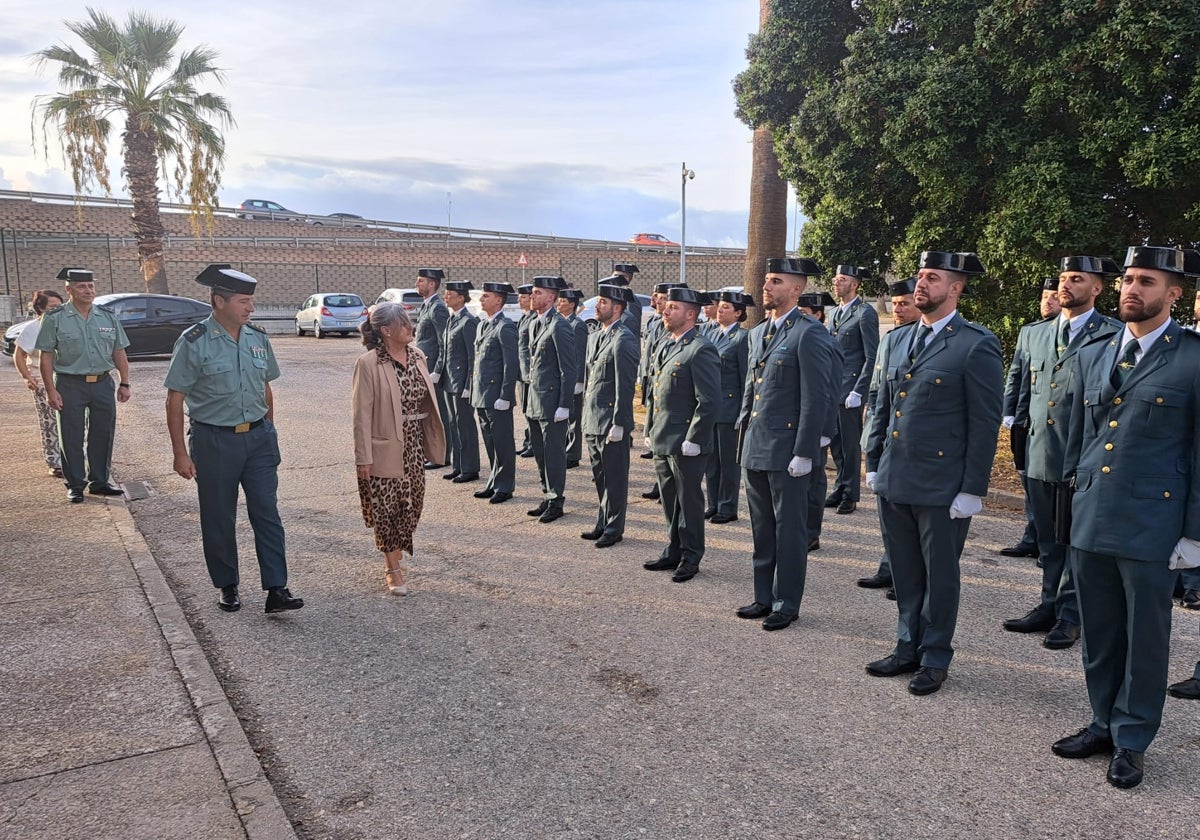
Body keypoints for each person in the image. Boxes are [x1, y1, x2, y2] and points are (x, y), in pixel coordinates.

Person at [1052, 245, 1200, 789]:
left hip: (1152, 522)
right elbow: (1079, 442)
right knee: (1102, 631)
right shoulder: (1096, 352)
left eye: (1147, 282)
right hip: (1093, 514)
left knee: (1145, 637)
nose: (1132, 290)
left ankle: (1132, 737)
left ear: (1174, 294)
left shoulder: (1193, 357)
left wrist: (1194, 534)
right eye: (1128, 280)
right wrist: (1069, 511)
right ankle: (1101, 723)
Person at [863, 251, 1003, 695]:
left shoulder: (976, 343)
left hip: (942, 485)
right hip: (895, 476)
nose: (921, 285)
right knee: (904, 570)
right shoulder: (896, 340)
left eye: (933, 278)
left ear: (956, 288)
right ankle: (907, 646)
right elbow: (881, 406)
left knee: (939, 574)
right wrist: (871, 461)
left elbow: (983, 422)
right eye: (921, 276)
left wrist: (972, 489)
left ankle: (936, 655)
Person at [164, 265, 303, 614]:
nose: (251, 308)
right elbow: (175, 399)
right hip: (214, 441)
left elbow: (265, 387)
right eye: (244, 301)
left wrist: (269, 429)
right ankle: (227, 585)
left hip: (257, 439)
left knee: (267, 513)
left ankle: (277, 588)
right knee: (218, 516)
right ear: (218, 301)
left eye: (252, 301)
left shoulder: (257, 337)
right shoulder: (194, 341)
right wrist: (180, 453)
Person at [1001, 257, 1120, 650]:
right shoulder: (1033, 333)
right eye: (1065, 278)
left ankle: (1072, 616)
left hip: (1083, 454)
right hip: (1040, 450)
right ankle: (1049, 604)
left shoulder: (1113, 335)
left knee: (1076, 542)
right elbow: (1021, 389)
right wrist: (1015, 429)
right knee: (1049, 539)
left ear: (1097, 289)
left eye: (1077, 279)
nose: (1067, 285)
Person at [735, 258, 838, 630]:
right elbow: (752, 390)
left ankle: (786, 602)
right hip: (757, 447)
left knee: (789, 531)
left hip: (787, 451)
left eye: (776, 281)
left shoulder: (809, 333)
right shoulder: (759, 332)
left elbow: (817, 397)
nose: (767, 286)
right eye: (766, 280)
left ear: (796, 289)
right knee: (762, 529)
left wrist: (805, 452)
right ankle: (763, 596)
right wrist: (742, 440)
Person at [352, 303, 447, 595]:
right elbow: (361, 415)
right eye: (404, 324)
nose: (410, 328)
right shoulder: (369, 363)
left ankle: (397, 550)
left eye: (410, 323)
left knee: (412, 503)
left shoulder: (418, 356)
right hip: (385, 443)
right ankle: (392, 568)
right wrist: (363, 457)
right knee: (387, 507)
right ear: (386, 330)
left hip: (414, 441)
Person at [642, 287, 721, 582]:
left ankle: (691, 555)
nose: (666, 310)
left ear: (691, 314)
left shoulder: (701, 348)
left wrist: (695, 437)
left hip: (686, 440)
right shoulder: (667, 345)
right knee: (669, 498)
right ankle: (673, 548)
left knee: (689, 500)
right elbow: (655, 393)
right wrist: (650, 429)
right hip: (663, 437)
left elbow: (709, 400)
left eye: (673, 307)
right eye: (667, 306)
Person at [36, 267, 130, 503]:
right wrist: (50, 389)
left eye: (90, 286)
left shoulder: (107, 317)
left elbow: (119, 351)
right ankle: (76, 484)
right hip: (69, 384)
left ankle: (99, 481)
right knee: (71, 435)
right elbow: (45, 356)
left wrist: (124, 383)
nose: (88, 290)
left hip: (102, 383)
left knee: (103, 434)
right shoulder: (55, 318)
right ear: (69, 290)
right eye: (81, 286)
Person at [857, 278, 918, 596]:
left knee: (908, 515)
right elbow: (877, 386)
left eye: (905, 303)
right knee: (888, 511)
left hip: (910, 438)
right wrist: (870, 432)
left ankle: (905, 573)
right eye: (895, 304)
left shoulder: (921, 341)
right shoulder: (891, 339)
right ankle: (889, 566)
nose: (898, 309)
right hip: (884, 433)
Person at [998, 278, 1063, 558]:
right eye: (1044, 296)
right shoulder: (1030, 332)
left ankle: (1050, 541)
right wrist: (1008, 411)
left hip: (1055, 424)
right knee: (1029, 482)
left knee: (1054, 487)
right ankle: (1032, 535)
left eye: (1054, 297)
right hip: (1025, 422)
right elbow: (1016, 374)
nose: (1047, 302)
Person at [580, 284, 639, 548]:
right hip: (593, 418)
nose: (597, 306)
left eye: (603, 302)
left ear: (617, 307)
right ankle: (603, 520)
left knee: (614, 477)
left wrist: (620, 422)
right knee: (600, 476)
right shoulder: (596, 336)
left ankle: (614, 527)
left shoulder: (623, 338)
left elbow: (624, 385)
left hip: (609, 421)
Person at [825, 265, 879, 515]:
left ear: (855, 285)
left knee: (849, 444)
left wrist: (859, 391)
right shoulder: (834, 312)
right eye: (836, 279)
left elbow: (872, 356)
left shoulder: (865, 313)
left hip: (850, 391)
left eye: (842, 280)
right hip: (832, 388)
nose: (836, 283)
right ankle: (839, 487)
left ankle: (851, 493)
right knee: (836, 444)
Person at [525, 276, 577, 523]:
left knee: (553, 454)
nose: (533, 296)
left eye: (538, 293)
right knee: (540, 452)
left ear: (551, 297)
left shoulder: (560, 326)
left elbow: (569, 368)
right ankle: (547, 494)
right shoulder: (536, 323)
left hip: (553, 403)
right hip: (536, 401)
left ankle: (556, 501)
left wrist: (565, 404)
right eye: (533, 292)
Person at [704, 291, 752, 524]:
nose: (720, 310)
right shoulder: (711, 334)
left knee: (728, 462)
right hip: (710, 408)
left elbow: (746, 379)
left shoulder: (742, 339)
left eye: (725, 307)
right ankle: (713, 502)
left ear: (738, 313)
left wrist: (744, 412)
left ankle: (727, 506)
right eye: (720, 307)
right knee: (711, 461)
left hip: (730, 408)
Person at [796, 291, 838, 553]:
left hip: (816, 424)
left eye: (804, 313)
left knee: (813, 483)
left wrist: (825, 429)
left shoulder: (825, 341)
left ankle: (812, 532)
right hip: (797, 423)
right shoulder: (797, 338)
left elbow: (830, 389)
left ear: (818, 314)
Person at [470, 282, 519, 505]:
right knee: (490, 441)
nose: (481, 300)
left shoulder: (505, 327)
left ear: (498, 300)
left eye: (485, 296)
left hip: (497, 395)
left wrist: (506, 396)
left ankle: (505, 486)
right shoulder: (483, 325)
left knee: (503, 443)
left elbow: (511, 364)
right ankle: (494, 480)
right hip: (482, 394)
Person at [13, 288, 65, 477]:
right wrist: (27, 376)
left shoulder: (66, 324)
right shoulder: (33, 328)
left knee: (74, 423)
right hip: (44, 384)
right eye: (53, 307)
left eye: (60, 306)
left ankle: (74, 459)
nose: (58, 310)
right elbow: (19, 354)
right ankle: (55, 462)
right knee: (50, 423)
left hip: (68, 381)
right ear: (40, 309)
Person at [433, 280, 480, 483]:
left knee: (465, 425)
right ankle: (459, 465)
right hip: (449, 380)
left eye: (449, 294)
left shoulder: (468, 321)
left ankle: (470, 468)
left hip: (461, 383)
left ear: (461, 297)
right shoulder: (452, 319)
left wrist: (470, 385)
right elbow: (444, 351)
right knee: (453, 424)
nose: (446, 297)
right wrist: (436, 372)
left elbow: (473, 357)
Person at [638, 283, 678, 494]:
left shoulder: (672, 327)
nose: (659, 302)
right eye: (660, 299)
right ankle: (660, 483)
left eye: (665, 299)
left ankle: (664, 485)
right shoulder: (655, 321)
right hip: (652, 379)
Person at [414, 268, 451, 468]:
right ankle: (433, 452)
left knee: (440, 415)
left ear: (432, 284)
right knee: (428, 413)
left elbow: (443, 342)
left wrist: (438, 369)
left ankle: (443, 455)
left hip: (433, 370)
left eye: (421, 281)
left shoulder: (437, 308)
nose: (417, 284)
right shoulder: (426, 305)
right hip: (424, 367)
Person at [556, 287, 589, 469]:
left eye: (563, 301)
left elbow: (580, 354)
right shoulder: (561, 322)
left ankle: (573, 453)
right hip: (563, 377)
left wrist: (579, 380)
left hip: (573, 379)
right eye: (559, 300)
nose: (559, 304)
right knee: (567, 416)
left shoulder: (577, 325)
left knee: (574, 417)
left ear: (572, 305)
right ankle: (566, 449)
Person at [516, 283, 537, 458]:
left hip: (530, 373)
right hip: (522, 372)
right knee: (525, 409)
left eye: (523, 296)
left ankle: (533, 443)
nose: (519, 299)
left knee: (531, 410)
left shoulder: (533, 319)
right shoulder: (524, 317)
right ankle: (528, 441)